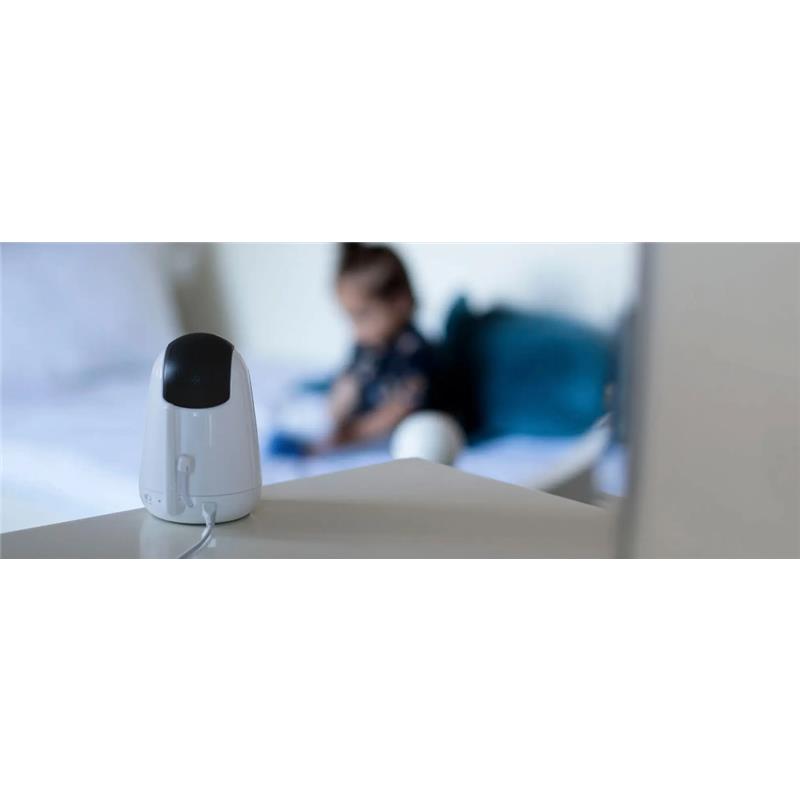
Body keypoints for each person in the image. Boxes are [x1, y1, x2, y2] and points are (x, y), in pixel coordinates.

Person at [324, 243, 434, 449]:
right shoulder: (366, 348)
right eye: (350, 318)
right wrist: (339, 406)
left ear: (400, 302)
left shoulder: (414, 351)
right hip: (360, 427)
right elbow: (346, 384)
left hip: (405, 437)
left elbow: (402, 409)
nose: (356, 330)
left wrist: (352, 435)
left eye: (363, 316)